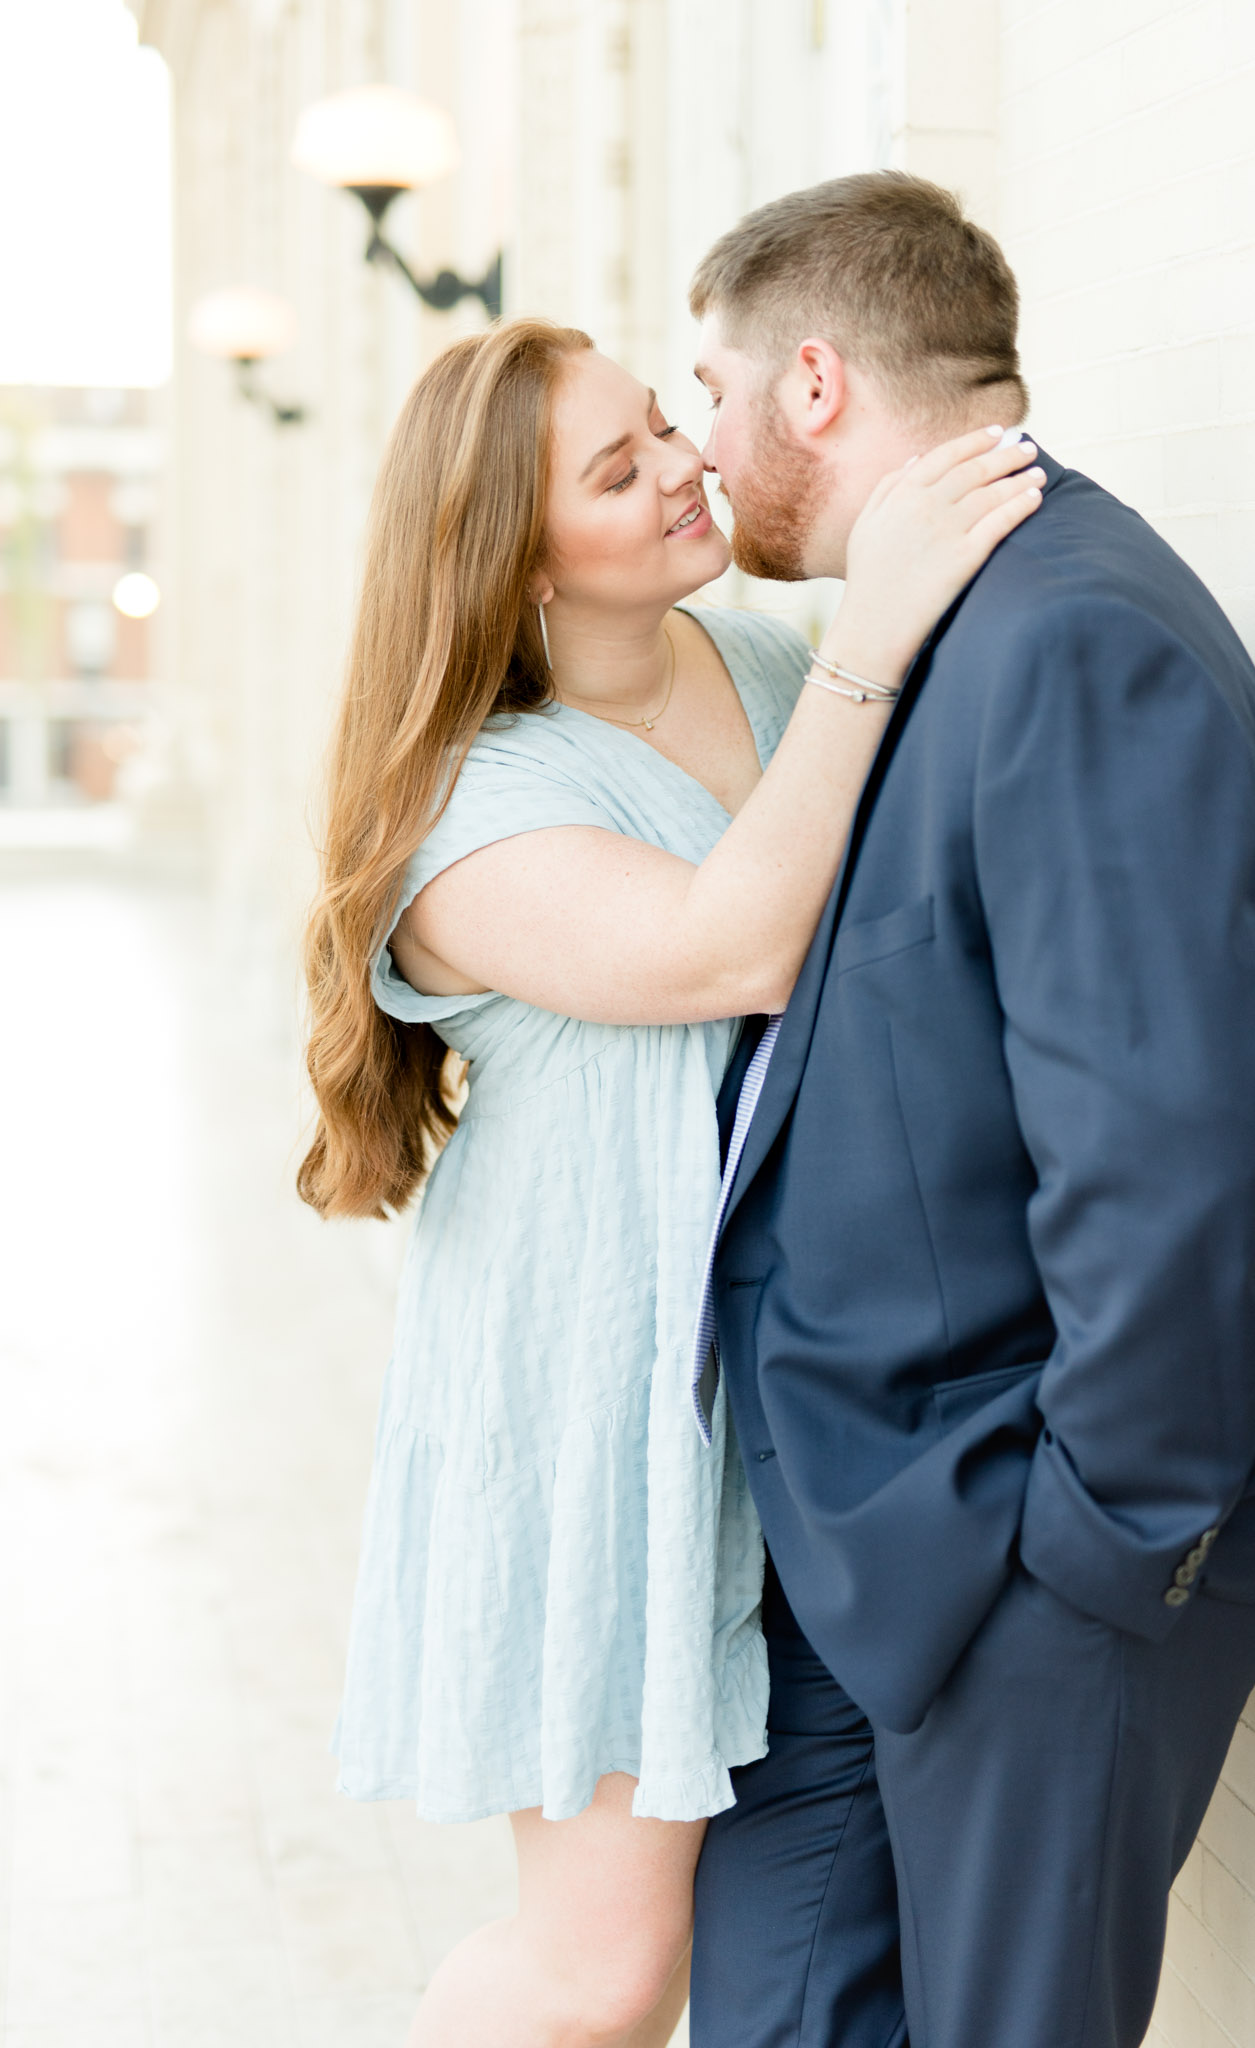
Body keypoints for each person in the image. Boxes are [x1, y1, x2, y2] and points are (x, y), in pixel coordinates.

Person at [297, 314, 1042, 2048]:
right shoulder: (462, 816)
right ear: (514, 560)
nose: (687, 471)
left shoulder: (767, 668)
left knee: (742, 1939)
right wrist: (878, 624)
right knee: (604, 1967)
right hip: (591, 1398)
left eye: (663, 429)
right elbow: (733, 948)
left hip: (785, 1365)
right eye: (615, 473)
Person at [687, 170, 1255, 2048]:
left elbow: (1167, 1148)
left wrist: (1099, 1554)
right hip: (870, 1549)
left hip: (1030, 1560)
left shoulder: (1072, 630)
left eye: (712, 385)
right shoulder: (933, 620)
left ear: (818, 382)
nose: (700, 437)